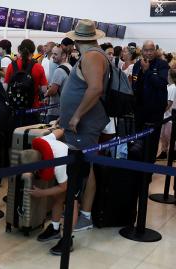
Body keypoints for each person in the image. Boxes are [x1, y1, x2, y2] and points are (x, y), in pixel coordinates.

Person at [58, 19, 110, 255]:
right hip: (81, 128)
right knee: (82, 171)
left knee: (79, 175)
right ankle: (77, 219)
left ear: (78, 39)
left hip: (84, 128)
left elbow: (95, 88)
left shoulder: (92, 57)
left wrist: (76, 116)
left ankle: (77, 222)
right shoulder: (92, 55)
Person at [27, 129, 69, 247]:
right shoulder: (44, 140)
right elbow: (59, 131)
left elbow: (63, 187)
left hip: (73, 164)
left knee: (71, 202)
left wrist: (42, 193)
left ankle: (68, 238)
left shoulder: (59, 164)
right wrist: (60, 125)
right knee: (58, 198)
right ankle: (55, 228)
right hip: (67, 153)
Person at [132, 40, 170, 163]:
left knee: (152, 139)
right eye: (146, 50)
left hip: (155, 110)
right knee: (138, 138)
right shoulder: (137, 64)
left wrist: (147, 71)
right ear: (142, 51)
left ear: (155, 50)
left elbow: (161, 83)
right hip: (139, 109)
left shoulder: (162, 65)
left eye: (151, 50)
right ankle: (138, 166)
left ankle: (148, 168)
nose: (148, 53)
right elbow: (135, 84)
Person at [4, 39, 48, 126]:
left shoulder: (11, 66)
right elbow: (44, 90)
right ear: (33, 51)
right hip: (33, 110)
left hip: (15, 110)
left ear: (20, 49)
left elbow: (5, 87)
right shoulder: (38, 67)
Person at [45, 45, 71, 123]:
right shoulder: (70, 67)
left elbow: (53, 91)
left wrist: (46, 93)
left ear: (63, 55)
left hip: (56, 111)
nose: (52, 56)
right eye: (52, 53)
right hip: (65, 109)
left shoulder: (59, 70)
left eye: (55, 54)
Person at [158, 69, 176, 160]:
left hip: (170, 117)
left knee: (169, 135)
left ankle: (173, 153)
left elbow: (169, 103)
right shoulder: (168, 86)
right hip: (166, 116)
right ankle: (164, 152)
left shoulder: (173, 87)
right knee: (163, 135)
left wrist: (161, 112)